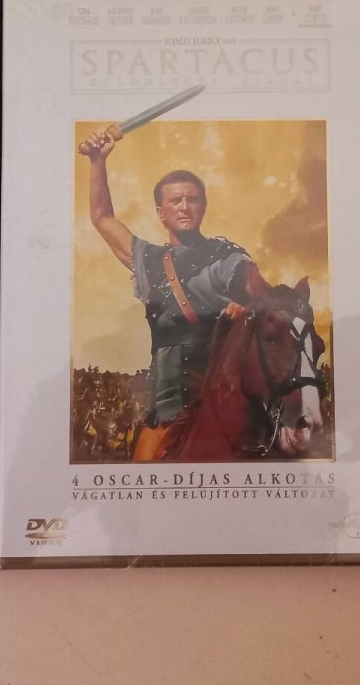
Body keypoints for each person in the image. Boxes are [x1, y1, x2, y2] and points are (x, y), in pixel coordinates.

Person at [77, 123, 296, 461]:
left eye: (192, 199)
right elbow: (102, 217)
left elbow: (278, 312)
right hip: (167, 405)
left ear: (203, 206)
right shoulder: (148, 260)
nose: (184, 206)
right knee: (144, 471)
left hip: (227, 401)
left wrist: (248, 310)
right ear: (161, 213)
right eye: (175, 200)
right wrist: (97, 161)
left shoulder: (228, 259)